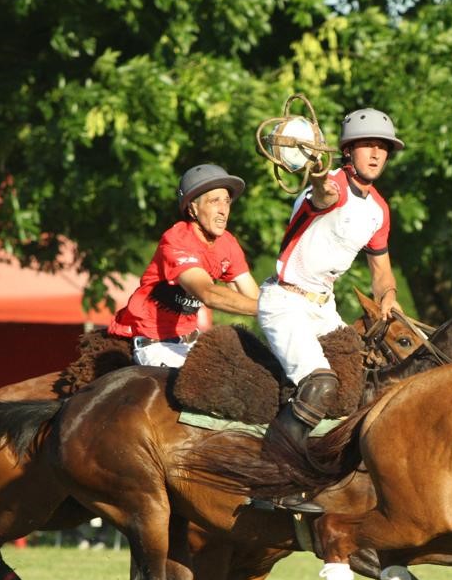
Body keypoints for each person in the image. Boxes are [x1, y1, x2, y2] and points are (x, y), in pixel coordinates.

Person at [256, 108, 405, 510]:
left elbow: (381, 272)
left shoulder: (379, 209)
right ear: (348, 151)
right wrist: (319, 172)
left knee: (363, 386)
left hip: (324, 308)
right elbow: (324, 195)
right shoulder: (330, 185)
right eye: (368, 145)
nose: (377, 154)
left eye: (383, 147)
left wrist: (388, 295)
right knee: (320, 384)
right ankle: (269, 483)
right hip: (286, 301)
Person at [108, 164, 260, 367]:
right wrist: (271, 309)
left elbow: (254, 297)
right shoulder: (176, 240)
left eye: (226, 201)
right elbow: (208, 294)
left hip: (192, 343)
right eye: (214, 201)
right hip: (155, 346)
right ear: (192, 208)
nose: (223, 210)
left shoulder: (228, 242)